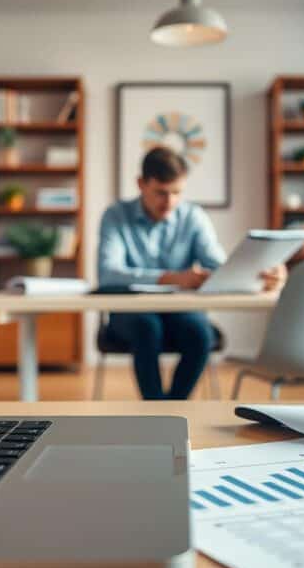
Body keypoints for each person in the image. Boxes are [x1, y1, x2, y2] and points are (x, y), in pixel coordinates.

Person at [97, 147, 286, 400]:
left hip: (182, 310)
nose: (170, 202)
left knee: (200, 334)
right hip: (131, 314)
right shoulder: (115, 215)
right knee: (147, 327)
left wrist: (262, 275)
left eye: (177, 192)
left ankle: (172, 408)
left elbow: (222, 268)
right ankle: (156, 412)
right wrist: (171, 278)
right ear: (141, 184)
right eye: (161, 193)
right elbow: (108, 274)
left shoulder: (193, 217)